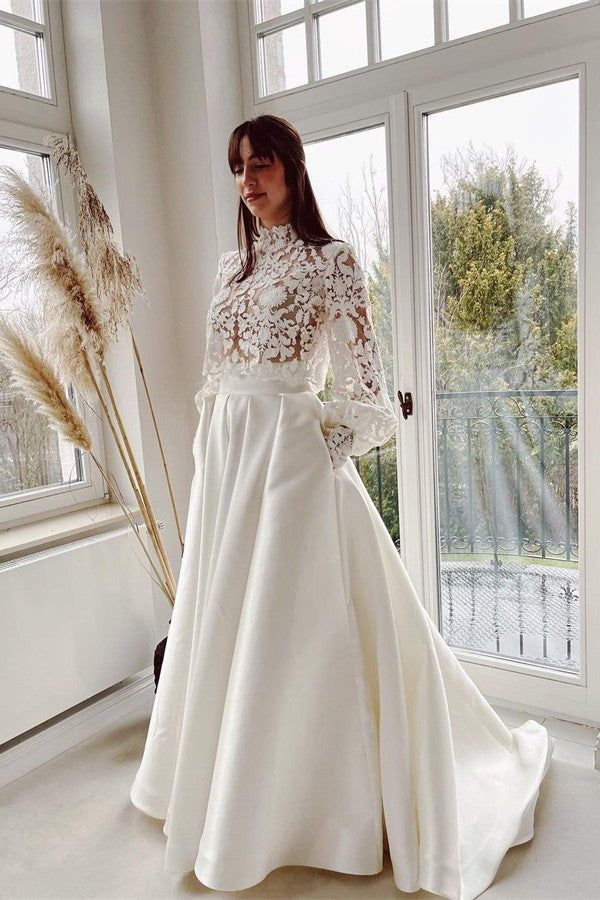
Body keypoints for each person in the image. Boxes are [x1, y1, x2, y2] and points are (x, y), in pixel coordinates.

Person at [129, 114, 554, 900]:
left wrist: (319, 452)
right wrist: (215, 458)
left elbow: (366, 390)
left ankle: (314, 812)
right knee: (227, 623)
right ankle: (221, 795)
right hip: (229, 464)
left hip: (292, 462)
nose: (247, 180)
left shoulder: (333, 262)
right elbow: (215, 378)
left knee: (294, 638)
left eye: (261, 164)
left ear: (292, 168)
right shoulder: (232, 269)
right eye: (237, 168)